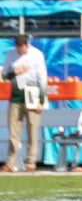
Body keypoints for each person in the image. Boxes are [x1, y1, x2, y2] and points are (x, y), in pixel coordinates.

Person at [1, 35, 47, 173]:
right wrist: (14, 72)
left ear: (27, 45)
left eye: (22, 46)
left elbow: (42, 77)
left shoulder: (37, 55)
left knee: (32, 129)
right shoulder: (10, 55)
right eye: (17, 46)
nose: (19, 49)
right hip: (16, 94)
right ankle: (11, 162)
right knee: (13, 131)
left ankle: (31, 162)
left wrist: (41, 100)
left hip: (32, 93)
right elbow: (4, 76)